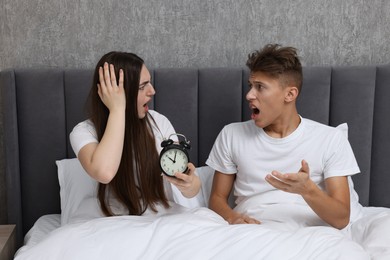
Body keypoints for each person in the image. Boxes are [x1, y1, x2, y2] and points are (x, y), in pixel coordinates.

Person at [206, 44, 361, 230]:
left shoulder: (330, 139)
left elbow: (341, 219)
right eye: (250, 86)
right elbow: (216, 199)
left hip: (312, 234)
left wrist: (307, 189)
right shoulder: (231, 135)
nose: (249, 95)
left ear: (289, 94)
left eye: (260, 87)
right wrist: (233, 217)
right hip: (253, 231)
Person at [70, 51, 201, 217]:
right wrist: (117, 109)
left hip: (159, 218)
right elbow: (104, 172)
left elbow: (192, 187)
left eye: (150, 83)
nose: (152, 91)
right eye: (141, 87)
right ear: (114, 93)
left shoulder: (159, 122)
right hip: (109, 221)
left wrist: (189, 185)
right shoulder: (84, 132)